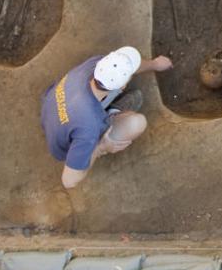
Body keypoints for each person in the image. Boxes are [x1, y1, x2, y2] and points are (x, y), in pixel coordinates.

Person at [39, 46, 173, 189]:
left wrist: (155, 64)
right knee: (136, 123)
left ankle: (109, 111)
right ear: (123, 85)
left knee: (97, 107)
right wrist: (100, 148)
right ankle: (112, 114)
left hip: (52, 111)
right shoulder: (89, 128)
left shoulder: (96, 63)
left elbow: (129, 68)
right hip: (67, 144)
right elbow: (69, 181)